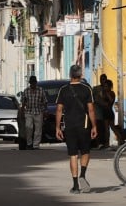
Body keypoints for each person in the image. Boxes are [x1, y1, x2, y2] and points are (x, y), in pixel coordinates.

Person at [54, 65, 96, 194]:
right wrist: (94, 126)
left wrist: (57, 127)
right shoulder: (86, 89)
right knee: (85, 151)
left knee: (73, 154)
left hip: (69, 125)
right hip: (84, 125)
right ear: (80, 75)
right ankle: (83, 174)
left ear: (70, 75)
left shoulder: (63, 90)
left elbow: (59, 110)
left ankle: (75, 185)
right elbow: (91, 109)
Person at [20, 76, 47, 150]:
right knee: (28, 127)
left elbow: (45, 101)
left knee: (38, 129)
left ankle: (36, 145)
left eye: (34, 83)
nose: (33, 85)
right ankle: (29, 143)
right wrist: (22, 111)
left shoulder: (40, 90)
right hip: (28, 111)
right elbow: (23, 102)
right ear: (30, 83)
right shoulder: (26, 91)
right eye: (31, 83)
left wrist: (45, 111)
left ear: (36, 83)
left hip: (38, 111)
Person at [92, 76, 116, 148]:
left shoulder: (111, 93)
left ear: (109, 86)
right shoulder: (99, 91)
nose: (104, 87)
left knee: (111, 127)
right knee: (106, 129)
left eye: (106, 86)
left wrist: (107, 93)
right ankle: (106, 143)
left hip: (109, 112)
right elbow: (98, 100)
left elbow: (111, 101)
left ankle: (119, 139)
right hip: (104, 112)